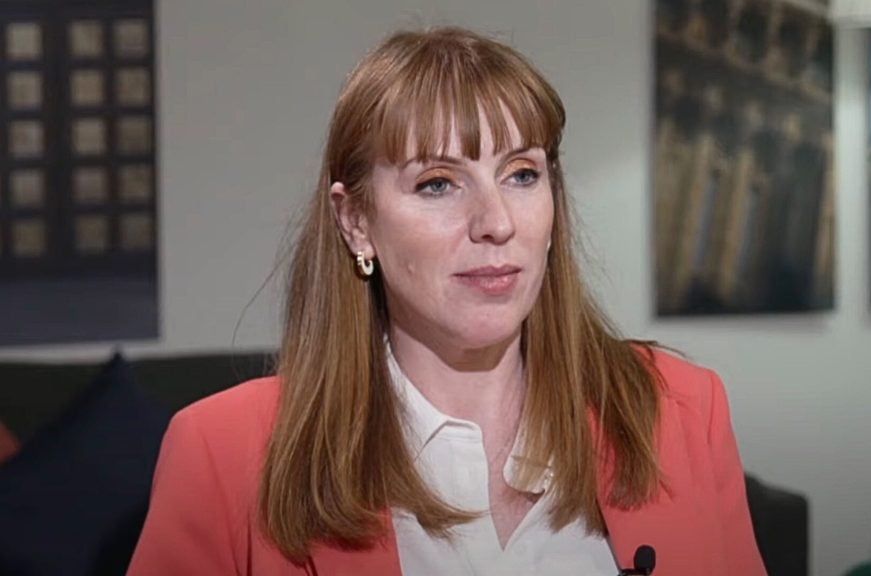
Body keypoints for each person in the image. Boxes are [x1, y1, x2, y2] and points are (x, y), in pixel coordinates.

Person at [127, 27, 766, 575]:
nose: (496, 221)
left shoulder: (680, 408)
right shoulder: (222, 453)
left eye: (521, 175)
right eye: (437, 183)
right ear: (356, 223)